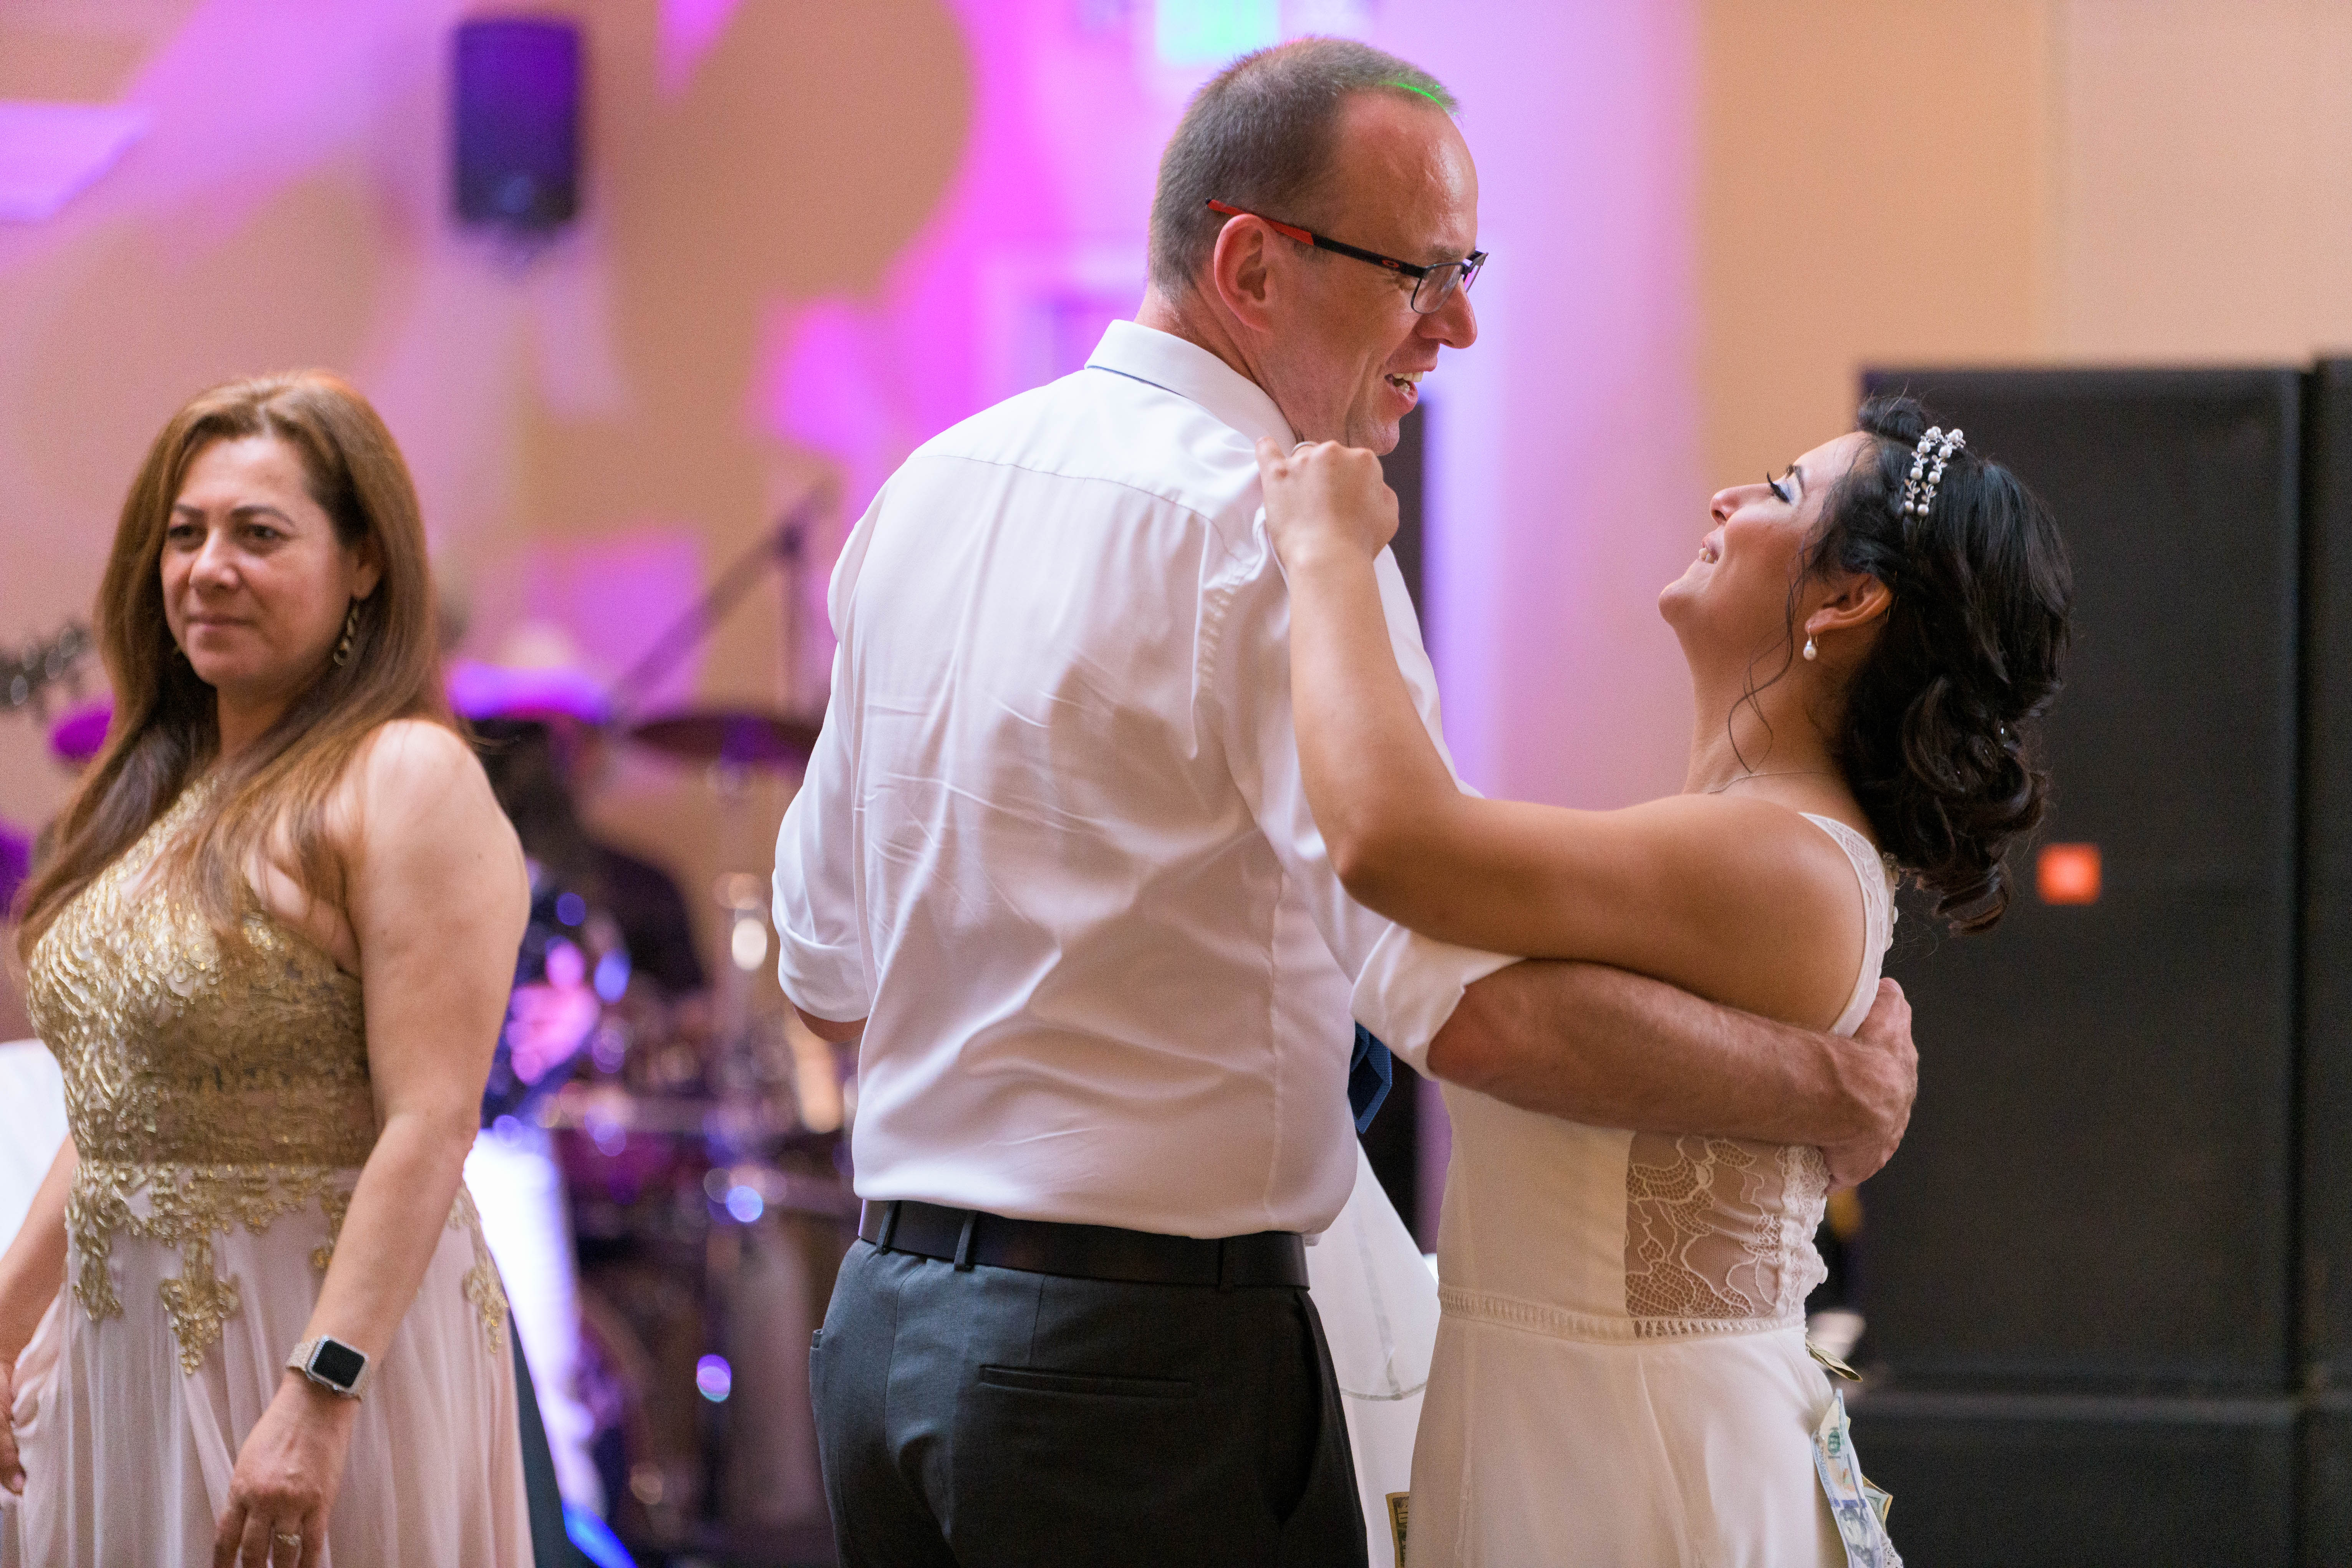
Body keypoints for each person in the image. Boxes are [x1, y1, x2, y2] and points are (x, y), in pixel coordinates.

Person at [771, 38, 1919, 1568]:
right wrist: (1821, 1087)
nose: (1457, 322)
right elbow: (1463, 1011)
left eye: (1465, 270)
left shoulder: (926, 489)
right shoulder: (1281, 538)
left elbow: (825, 970)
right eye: (1418, 273)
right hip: (1132, 1369)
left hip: (879, 1342)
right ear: (1252, 266)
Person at [1258, 398, 2072, 1564]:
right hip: (1574, 1426)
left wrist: (1329, 552)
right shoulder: (1748, 841)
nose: (1726, 499)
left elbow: (1396, 850)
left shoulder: (1783, 856)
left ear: (1847, 601)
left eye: (1780, 493)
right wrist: (1829, 1086)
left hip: (1642, 1455)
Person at [0, 371, 534, 1565]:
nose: (207, 568)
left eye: (258, 534)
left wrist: (320, 1390)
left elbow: (433, 1121)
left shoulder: (404, 775)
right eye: (184, 534)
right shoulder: (157, 789)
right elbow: (121, 1114)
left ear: (364, 562)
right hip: (120, 1344)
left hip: (316, 1349)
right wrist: (3, 1324)